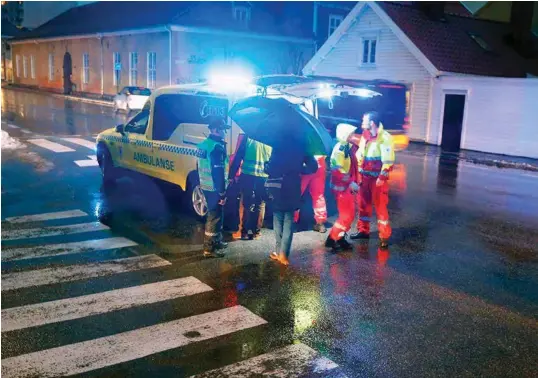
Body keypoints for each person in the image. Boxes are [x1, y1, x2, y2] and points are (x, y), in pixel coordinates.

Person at [347, 111, 395, 249]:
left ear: (372, 123)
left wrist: (382, 177)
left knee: (380, 207)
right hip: (365, 177)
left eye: (364, 120)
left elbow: (388, 160)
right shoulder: (365, 135)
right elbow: (360, 154)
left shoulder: (385, 138)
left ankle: (384, 236)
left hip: (377, 179)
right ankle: (363, 230)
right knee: (363, 205)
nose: (362, 122)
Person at [265, 145, 317, 265]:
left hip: (278, 185)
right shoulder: (302, 146)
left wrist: (267, 166)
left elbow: (271, 167)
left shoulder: (278, 144)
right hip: (293, 185)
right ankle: (283, 254)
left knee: (277, 217)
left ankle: (278, 252)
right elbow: (313, 167)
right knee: (288, 218)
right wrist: (299, 169)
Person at [228, 134, 272, 240]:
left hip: (248, 175)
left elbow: (238, 156)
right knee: (260, 204)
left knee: (245, 203)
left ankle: (244, 232)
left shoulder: (248, 137)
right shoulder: (270, 139)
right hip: (263, 177)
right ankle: (256, 232)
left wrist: (231, 175)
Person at [197, 118, 230, 258]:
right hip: (215, 187)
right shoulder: (216, 148)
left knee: (217, 214)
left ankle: (217, 241)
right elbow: (218, 172)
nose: (225, 132)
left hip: (205, 185)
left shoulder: (203, 144)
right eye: (223, 129)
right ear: (216, 130)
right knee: (214, 217)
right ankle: (209, 248)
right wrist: (222, 193)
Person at [325, 123, 360, 252]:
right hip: (342, 188)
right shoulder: (340, 149)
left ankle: (339, 237)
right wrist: (350, 182)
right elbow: (337, 171)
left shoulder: (346, 147)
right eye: (351, 133)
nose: (353, 135)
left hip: (346, 187)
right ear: (345, 135)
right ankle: (334, 238)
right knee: (347, 216)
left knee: (349, 215)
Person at [294, 155, 328, 233]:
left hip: (306, 164)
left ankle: (292, 222)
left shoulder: (304, 143)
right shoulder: (319, 146)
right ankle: (320, 223)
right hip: (320, 164)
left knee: (296, 194)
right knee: (318, 196)